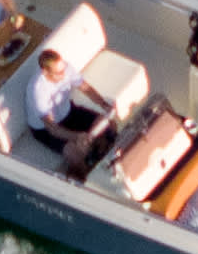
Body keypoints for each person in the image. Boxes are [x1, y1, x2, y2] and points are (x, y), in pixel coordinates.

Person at [12, 30, 119, 170]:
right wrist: (76, 137)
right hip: (45, 129)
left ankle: (110, 154)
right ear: (45, 72)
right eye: (59, 73)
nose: (64, 74)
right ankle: (87, 172)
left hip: (69, 112)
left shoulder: (66, 68)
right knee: (75, 155)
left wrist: (104, 104)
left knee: (110, 124)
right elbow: (53, 129)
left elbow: (85, 88)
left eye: (64, 69)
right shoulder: (37, 90)